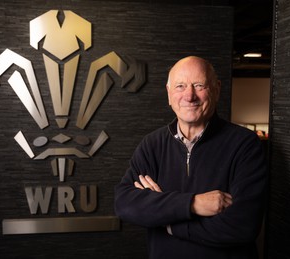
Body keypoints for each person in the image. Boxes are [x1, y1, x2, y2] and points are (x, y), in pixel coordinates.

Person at [114, 56, 268, 259]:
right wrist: (193, 204)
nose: (189, 95)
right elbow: (125, 203)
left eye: (199, 85)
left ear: (216, 89)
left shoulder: (245, 145)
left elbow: (242, 226)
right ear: (169, 94)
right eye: (180, 86)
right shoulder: (151, 145)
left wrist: (167, 222)